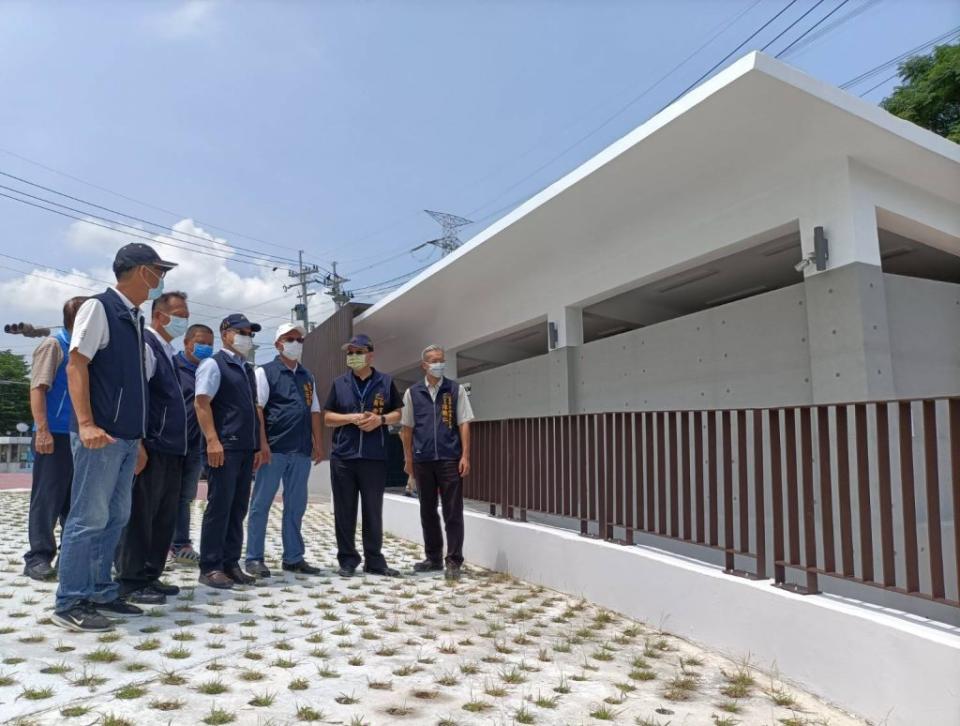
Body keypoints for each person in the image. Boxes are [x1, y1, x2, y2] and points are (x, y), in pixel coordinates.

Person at [52, 242, 177, 633]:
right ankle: (71, 600)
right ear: (142, 271)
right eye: (159, 271)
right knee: (88, 518)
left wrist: (137, 440)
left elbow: (133, 384)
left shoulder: (134, 318)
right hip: (100, 435)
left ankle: (102, 590)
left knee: (115, 516)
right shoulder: (100, 307)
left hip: (125, 438)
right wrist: (86, 423)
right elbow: (77, 365)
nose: (160, 280)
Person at [115, 291, 191, 604]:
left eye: (186, 313)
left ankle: (151, 574)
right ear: (160, 315)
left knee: (163, 516)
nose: (184, 319)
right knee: (141, 515)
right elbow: (139, 395)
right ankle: (130, 580)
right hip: (153, 446)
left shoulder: (168, 350)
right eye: (179, 313)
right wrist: (141, 442)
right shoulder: (145, 345)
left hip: (174, 448)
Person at [244, 323, 324, 578]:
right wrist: (262, 444)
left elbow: (314, 411)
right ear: (278, 343)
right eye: (290, 339)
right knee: (260, 505)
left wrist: (318, 443)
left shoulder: (307, 376)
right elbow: (258, 408)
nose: (295, 343)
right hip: (274, 449)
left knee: (296, 506)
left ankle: (293, 557)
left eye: (299, 339)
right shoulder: (265, 372)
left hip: (300, 451)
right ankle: (254, 558)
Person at [323, 334, 404, 578]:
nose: (353, 357)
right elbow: (327, 417)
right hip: (344, 457)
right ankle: (347, 560)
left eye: (358, 352)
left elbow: (398, 414)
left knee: (372, 509)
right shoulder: (339, 384)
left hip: (374, 456)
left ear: (371, 354)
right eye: (350, 353)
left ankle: (375, 560)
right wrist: (351, 418)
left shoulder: (386, 382)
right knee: (344, 510)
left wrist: (379, 420)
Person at [194, 313, 263, 589]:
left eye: (250, 333)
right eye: (241, 331)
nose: (246, 337)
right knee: (220, 507)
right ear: (225, 333)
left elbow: (253, 410)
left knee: (238, 508)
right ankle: (210, 566)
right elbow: (201, 403)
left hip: (245, 448)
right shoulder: (213, 364)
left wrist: (257, 445)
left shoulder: (246, 369)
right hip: (223, 447)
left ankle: (231, 563)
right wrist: (212, 440)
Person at [22, 296, 87, 581]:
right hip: (55, 434)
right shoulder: (54, 345)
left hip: (79, 435)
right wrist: (43, 430)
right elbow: (38, 388)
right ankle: (38, 557)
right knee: (47, 498)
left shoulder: (83, 350)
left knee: (74, 501)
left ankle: (69, 556)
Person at [400, 345, 474, 581]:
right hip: (422, 460)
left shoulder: (455, 389)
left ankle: (453, 561)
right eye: (433, 361)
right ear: (424, 365)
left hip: (449, 458)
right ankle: (433, 558)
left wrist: (465, 455)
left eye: (441, 360)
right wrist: (408, 459)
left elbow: (464, 422)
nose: (438, 364)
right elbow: (407, 428)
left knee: (453, 511)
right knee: (427, 511)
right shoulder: (413, 393)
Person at [169, 323, 215, 564]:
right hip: (168, 443)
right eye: (200, 342)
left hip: (196, 446)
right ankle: (160, 544)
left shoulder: (210, 370)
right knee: (163, 495)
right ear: (187, 343)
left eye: (210, 344)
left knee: (185, 497)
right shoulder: (171, 366)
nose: (205, 347)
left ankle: (181, 544)